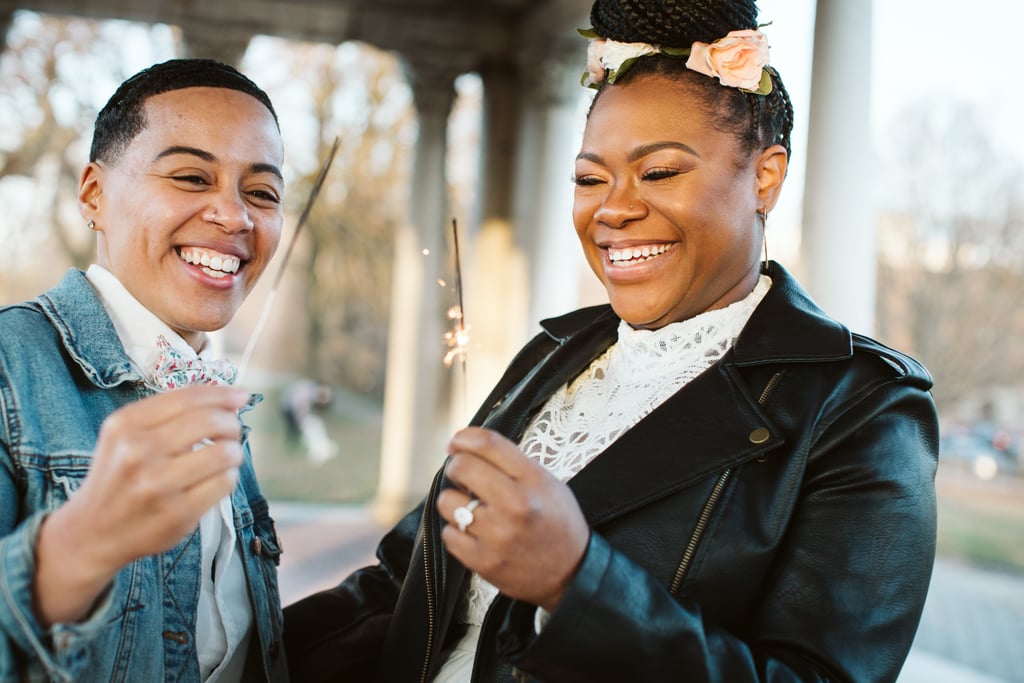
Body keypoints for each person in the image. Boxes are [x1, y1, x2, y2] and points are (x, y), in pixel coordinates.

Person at [283, 0, 939, 680]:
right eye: (590, 178)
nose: (613, 208)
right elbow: (403, 584)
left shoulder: (864, 409)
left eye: (658, 172)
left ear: (765, 178)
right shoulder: (554, 354)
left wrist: (576, 585)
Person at [0, 59, 289, 681]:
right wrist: (77, 547)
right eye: (190, 176)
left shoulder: (216, 392)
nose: (235, 216)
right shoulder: (6, 368)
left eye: (262, 192)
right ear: (94, 195)